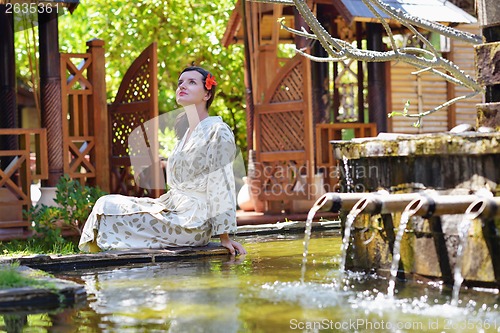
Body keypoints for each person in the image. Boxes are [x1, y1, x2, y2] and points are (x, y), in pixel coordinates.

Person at [79, 66, 247, 256]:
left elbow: (221, 182)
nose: (183, 86)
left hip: (193, 223)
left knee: (109, 211)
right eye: (180, 82)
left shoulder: (218, 131)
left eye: (192, 82)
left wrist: (224, 237)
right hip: (172, 209)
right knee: (105, 202)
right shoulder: (184, 135)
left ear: (207, 94)